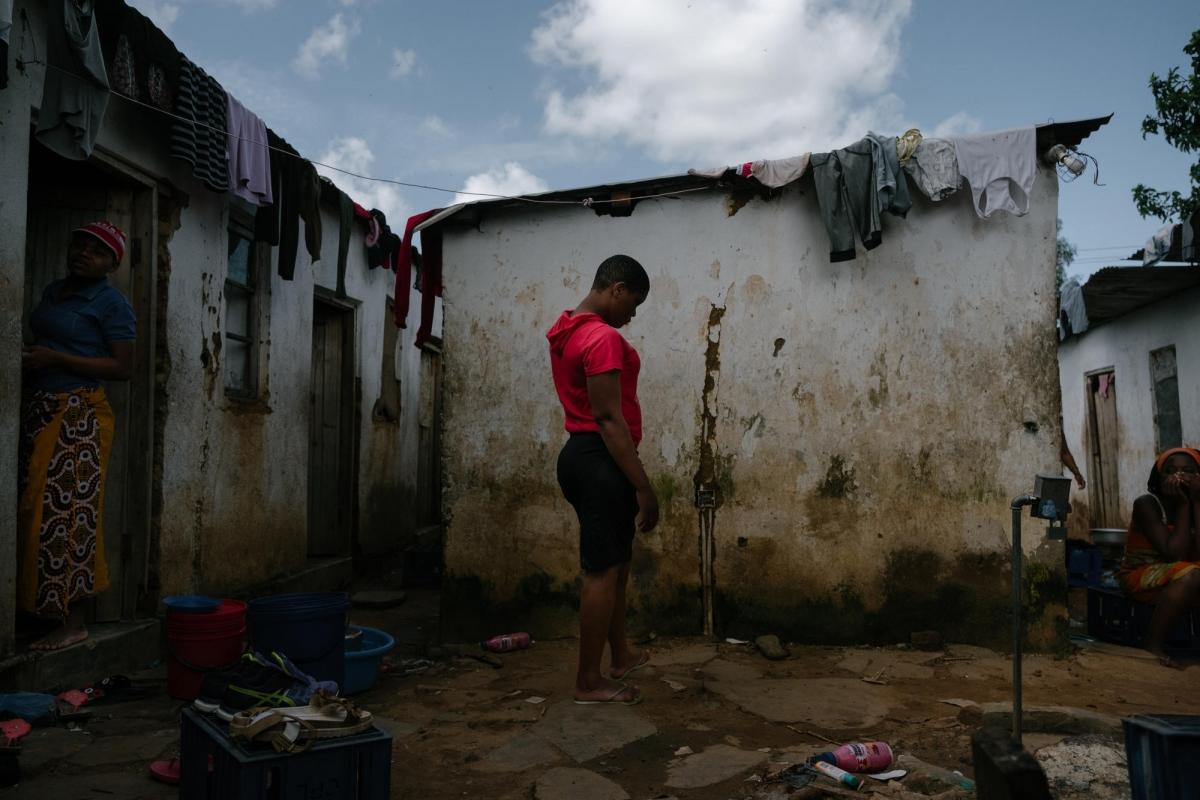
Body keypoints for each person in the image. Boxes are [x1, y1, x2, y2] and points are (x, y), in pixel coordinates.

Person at [18, 221, 136, 651]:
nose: (85, 253)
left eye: (98, 251)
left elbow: (124, 368)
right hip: (40, 409)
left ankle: (74, 621)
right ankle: (41, 612)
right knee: (33, 513)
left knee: (69, 516)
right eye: (81, 244)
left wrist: (56, 357)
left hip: (79, 416)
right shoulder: (55, 292)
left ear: (112, 263)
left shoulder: (111, 304)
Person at [547, 254, 657, 705]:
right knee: (602, 571)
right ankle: (589, 681)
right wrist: (644, 487)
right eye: (633, 303)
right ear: (615, 289)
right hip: (599, 458)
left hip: (583, 456)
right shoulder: (602, 338)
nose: (632, 315)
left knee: (617, 565)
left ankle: (621, 653)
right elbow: (609, 418)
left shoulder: (567, 329)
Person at [1117, 448, 1200, 667]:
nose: (1179, 476)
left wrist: (1197, 502)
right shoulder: (1147, 504)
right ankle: (1152, 644)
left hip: (1183, 572)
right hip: (1142, 575)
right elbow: (1174, 553)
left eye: (1188, 471)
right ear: (1159, 477)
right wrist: (1184, 505)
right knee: (1191, 576)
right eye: (1170, 471)